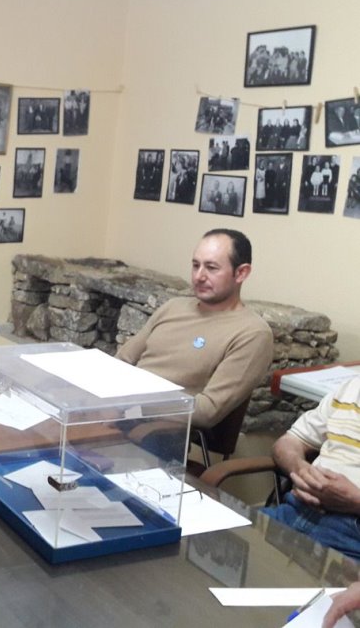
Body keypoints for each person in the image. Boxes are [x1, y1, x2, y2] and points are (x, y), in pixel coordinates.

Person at [116, 229, 273, 429]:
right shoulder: (173, 307)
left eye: (211, 268)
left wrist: (134, 404)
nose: (199, 276)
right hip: (121, 412)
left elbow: (206, 411)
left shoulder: (252, 333)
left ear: (241, 273)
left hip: (158, 430)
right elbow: (121, 363)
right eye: (195, 265)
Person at [263, 374, 360, 560]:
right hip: (292, 512)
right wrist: (300, 470)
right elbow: (288, 443)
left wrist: (355, 501)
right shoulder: (351, 387)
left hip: (351, 538)